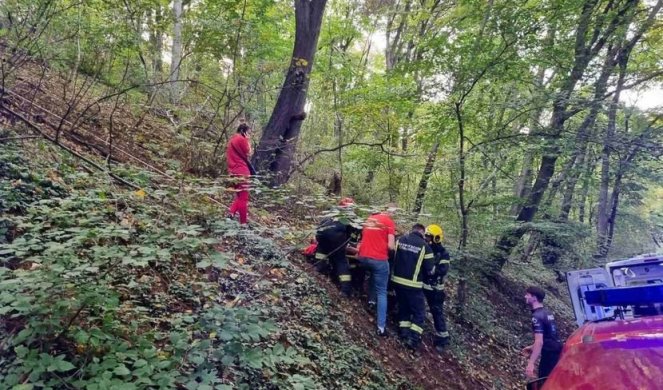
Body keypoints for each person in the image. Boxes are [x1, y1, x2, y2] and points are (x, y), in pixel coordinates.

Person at [391, 223, 435, 350]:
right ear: (422, 232)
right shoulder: (425, 247)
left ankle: (403, 333)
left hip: (396, 282)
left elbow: (391, 255)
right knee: (419, 312)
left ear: (412, 230)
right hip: (413, 285)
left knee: (403, 308)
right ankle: (413, 339)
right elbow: (430, 269)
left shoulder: (399, 240)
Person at [357, 205, 397, 337]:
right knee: (382, 291)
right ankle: (381, 327)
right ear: (388, 212)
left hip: (362, 258)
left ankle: (371, 301)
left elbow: (362, 239)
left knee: (374, 275)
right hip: (378, 260)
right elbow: (391, 246)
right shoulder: (389, 222)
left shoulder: (369, 219)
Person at [314, 198, 360, 297]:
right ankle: (345, 289)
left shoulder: (332, 211)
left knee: (322, 249)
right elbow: (353, 239)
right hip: (335, 238)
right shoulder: (352, 217)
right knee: (341, 261)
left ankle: (318, 269)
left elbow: (320, 225)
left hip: (321, 235)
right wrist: (352, 245)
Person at [522, 286, 563, 382]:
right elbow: (550, 336)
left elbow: (539, 341)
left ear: (534, 298)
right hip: (557, 351)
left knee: (545, 382)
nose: (525, 297)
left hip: (549, 355)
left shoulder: (536, 316)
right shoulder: (547, 313)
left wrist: (531, 363)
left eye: (528, 295)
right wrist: (532, 347)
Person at [423, 224, 451, 353]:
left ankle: (443, 340)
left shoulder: (443, 253)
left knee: (437, 312)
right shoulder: (425, 248)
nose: (426, 239)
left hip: (435, 290)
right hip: (422, 285)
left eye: (429, 237)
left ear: (436, 238)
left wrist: (431, 270)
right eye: (426, 236)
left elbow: (443, 270)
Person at [226, 123, 253, 224]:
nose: (248, 134)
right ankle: (243, 224)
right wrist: (247, 140)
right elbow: (249, 152)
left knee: (240, 197)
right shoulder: (242, 139)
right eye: (248, 132)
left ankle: (231, 213)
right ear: (243, 131)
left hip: (232, 171)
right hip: (242, 171)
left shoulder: (231, 140)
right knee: (244, 198)